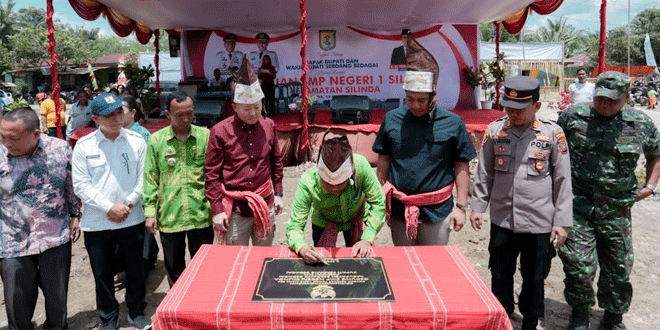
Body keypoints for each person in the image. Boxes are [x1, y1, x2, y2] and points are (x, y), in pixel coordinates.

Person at [558, 71, 660, 330]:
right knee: (578, 266)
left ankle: (613, 317)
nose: (604, 105)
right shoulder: (574, 116)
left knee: (618, 267)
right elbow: (554, 149)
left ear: (626, 97)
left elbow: (656, 155)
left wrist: (649, 186)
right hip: (577, 205)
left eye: (612, 101)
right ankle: (579, 313)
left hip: (616, 209)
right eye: (600, 99)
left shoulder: (641, 123)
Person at [470, 76, 573, 330]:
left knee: (535, 276)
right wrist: (477, 207)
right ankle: (502, 316)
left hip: (538, 221)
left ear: (536, 106)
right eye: (508, 107)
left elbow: (562, 179)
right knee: (500, 272)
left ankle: (529, 319)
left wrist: (561, 221)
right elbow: (485, 172)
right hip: (503, 219)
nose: (512, 113)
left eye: (519, 109)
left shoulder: (552, 133)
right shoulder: (495, 131)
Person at [372, 32, 476, 246]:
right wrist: (382, 199)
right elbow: (383, 160)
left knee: (435, 265)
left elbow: (461, 165)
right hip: (400, 210)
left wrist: (461, 207)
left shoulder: (453, 123)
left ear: (433, 97)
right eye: (410, 99)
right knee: (404, 265)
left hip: (438, 211)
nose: (416, 105)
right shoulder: (392, 120)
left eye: (421, 100)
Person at [72, 93, 152, 330]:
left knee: (136, 269)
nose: (116, 119)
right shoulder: (84, 147)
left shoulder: (136, 141)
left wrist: (126, 204)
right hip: (98, 222)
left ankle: (136, 312)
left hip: (132, 217)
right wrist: (109, 207)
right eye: (109, 116)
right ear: (95, 118)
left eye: (119, 112)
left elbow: (144, 178)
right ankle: (108, 317)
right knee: (102, 273)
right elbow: (81, 185)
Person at [0, 107, 82, 330]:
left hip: (54, 236)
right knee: (17, 302)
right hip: (12, 241)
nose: (7, 143)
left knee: (57, 299)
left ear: (36, 134)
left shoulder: (60, 149)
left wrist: (75, 215)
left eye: (14, 139)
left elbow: (70, 185)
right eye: (3, 137)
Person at [205, 57, 284, 245]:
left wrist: (279, 194)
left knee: (263, 257)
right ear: (234, 107)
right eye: (246, 109)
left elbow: (276, 163)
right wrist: (217, 210)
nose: (253, 113)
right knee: (236, 260)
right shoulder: (220, 131)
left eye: (257, 107)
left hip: (265, 202)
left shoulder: (269, 125)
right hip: (235, 210)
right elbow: (212, 174)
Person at [143, 91, 214, 287]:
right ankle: (177, 310)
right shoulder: (156, 141)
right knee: (174, 268)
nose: (185, 119)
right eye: (179, 115)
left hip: (201, 213)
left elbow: (214, 174)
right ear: (167, 115)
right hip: (170, 215)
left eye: (189, 114)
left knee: (205, 266)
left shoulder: (205, 136)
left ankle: (202, 307)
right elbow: (150, 177)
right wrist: (150, 212)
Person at [286, 134, 386, 264]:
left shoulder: (361, 166)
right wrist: (302, 248)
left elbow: (378, 202)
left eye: (340, 184)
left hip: (355, 216)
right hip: (323, 219)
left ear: (350, 174)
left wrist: (367, 238)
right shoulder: (309, 180)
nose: (334, 189)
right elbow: (295, 225)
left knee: (360, 261)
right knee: (321, 262)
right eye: (327, 184)